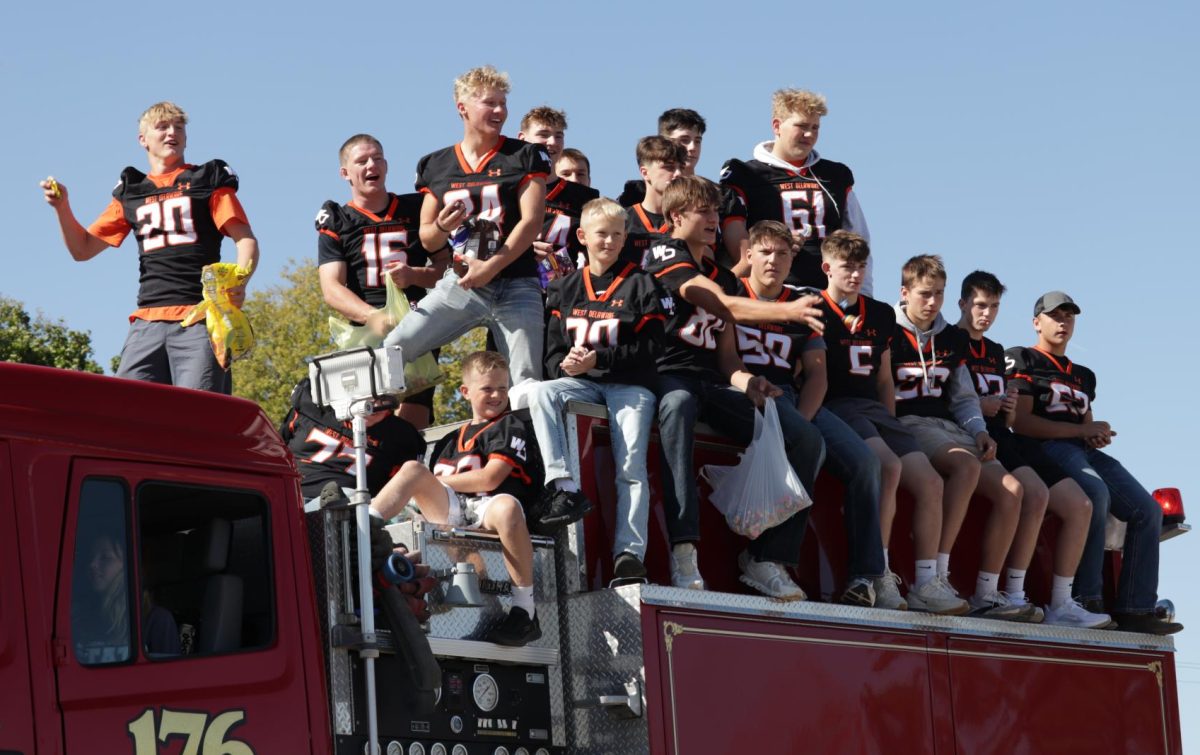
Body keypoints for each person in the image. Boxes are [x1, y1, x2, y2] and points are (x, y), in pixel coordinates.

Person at [644, 176, 825, 597]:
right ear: (676, 217)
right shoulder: (663, 252)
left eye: (717, 211)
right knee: (678, 405)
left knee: (806, 438)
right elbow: (715, 302)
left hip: (711, 382)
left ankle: (765, 558)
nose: (715, 220)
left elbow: (727, 360)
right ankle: (684, 549)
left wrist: (750, 383)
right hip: (665, 374)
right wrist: (788, 310)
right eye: (704, 211)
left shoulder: (722, 274)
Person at [40, 101, 259, 394]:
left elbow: (244, 238)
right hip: (147, 322)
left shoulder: (206, 179)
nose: (172, 133)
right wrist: (62, 207)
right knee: (126, 414)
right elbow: (82, 249)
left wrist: (240, 279)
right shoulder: (133, 190)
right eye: (162, 127)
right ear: (143, 139)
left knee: (197, 417)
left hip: (198, 317)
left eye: (179, 127)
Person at [1007, 292, 1182, 635]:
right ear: (1036, 321)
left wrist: (1095, 434)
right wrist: (1081, 430)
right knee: (1096, 493)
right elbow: (1021, 424)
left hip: (1080, 449)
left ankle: (1136, 605)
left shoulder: (1084, 374)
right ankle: (1087, 598)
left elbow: (1087, 422)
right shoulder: (1023, 358)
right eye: (1055, 315)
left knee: (1148, 510)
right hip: (1045, 448)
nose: (1062, 322)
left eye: (1069, 316)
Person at [733, 220, 887, 607]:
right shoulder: (732, 294)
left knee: (866, 463)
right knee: (808, 442)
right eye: (765, 252)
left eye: (783, 253)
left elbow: (817, 374)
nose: (774, 261)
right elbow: (723, 359)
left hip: (790, 394)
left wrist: (800, 418)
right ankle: (767, 557)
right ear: (748, 254)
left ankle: (867, 576)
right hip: (742, 389)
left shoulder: (801, 300)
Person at [816, 233, 964, 614]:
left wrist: (891, 420)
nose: (855, 273)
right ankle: (877, 572)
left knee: (930, 481)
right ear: (827, 267)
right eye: (848, 265)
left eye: (861, 266)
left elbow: (884, 378)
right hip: (838, 405)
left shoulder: (879, 313)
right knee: (889, 465)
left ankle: (927, 581)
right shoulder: (814, 307)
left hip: (876, 409)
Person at [956, 272, 1110, 628]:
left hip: (1000, 435)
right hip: (961, 432)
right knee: (1022, 491)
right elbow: (941, 398)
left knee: (1078, 501)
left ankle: (1047, 600)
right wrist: (985, 406)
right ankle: (982, 590)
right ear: (962, 303)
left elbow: (1011, 418)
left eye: (994, 306)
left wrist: (1004, 406)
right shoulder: (952, 341)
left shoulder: (995, 351)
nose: (987, 313)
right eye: (980, 304)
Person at [382, 66, 550, 386]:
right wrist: (443, 228)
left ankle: (521, 436)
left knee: (525, 381)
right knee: (391, 349)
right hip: (460, 283)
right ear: (463, 107)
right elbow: (429, 240)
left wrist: (491, 267)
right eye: (490, 103)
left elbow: (531, 221)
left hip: (516, 283)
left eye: (503, 103)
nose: (500, 110)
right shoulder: (437, 164)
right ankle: (369, 430)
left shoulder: (526, 155)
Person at [368, 352, 549, 646]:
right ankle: (363, 529)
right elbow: (424, 486)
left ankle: (524, 610)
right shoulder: (448, 440)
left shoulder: (510, 426)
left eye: (503, 388)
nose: (496, 395)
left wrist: (435, 483)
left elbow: (490, 478)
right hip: (452, 512)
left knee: (506, 507)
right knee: (413, 470)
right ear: (465, 391)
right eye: (487, 388)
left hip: (488, 507)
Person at [528, 198, 666, 582]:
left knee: (631, 467)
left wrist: (599, 361)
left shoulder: (643, 283)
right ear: (582, 236)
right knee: (542, 392)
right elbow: (553, 348)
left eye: (617, 235)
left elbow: (653, 347)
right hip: (584, 383)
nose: (609, 241)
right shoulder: (565, 287)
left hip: (630, 386)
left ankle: (629, 554)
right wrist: (565, 365)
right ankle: (563, 486)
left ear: (626, 239)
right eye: (601, 234)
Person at [890, 255, 1030, 621]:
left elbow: (964, 398)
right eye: (925, 294)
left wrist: (981, 432)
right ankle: (933, 576)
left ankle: (986, 592)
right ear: (905, 293)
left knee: (1013, 490)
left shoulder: (952, 339)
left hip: (950, 426)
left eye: (938, 294)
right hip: (907, 422)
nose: (932, 302)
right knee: (965, 467)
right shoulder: (885, 326)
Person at [316, 133, 448, 429]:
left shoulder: (415, 209)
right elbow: (331, 288)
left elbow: (446, 269)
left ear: (386, 165)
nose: (370, 165)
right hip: (366, 329)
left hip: (416, 321)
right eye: (361, 160)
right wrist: (372, 316)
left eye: (377, 158)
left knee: (414, 415)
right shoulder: (338, 219)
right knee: (368, 417)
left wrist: (414, 274)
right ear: (345, 173)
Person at [720, 89, 872, 293]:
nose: (809, 134)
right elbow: (734, 238)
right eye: (801, 126)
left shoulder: (835, 175)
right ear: (777, 126)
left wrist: (864, 293)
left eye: (815, 127)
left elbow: (859, 237)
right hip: (768, 292)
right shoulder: (745, 173)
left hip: (827, 294)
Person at [279, 376, 427, 503]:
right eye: (367, 396)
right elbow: (277, 449)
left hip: (350, 506)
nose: (373, 405)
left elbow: (399, 491)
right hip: (288, 491)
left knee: (345, 501)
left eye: (383, 398)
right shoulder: (313, 406)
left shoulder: (401, 437)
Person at [516, 107, 599, 281]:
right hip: (513, 285)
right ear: (522, 139)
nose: (552, 141)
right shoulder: (508, 187)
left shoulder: (584, 196)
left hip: (564, 293)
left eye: (559, 135)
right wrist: (525, 248)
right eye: (544, 134)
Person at [74, 533, 180, 660]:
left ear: (129, 566)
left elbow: (168, 676)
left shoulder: (156, 620)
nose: (92, 564)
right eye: (91, 558)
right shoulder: (79, 617)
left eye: (106, 558)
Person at [619, 136, 684, 266]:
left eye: (680, 167)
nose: (678, 173)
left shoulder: (687, 219)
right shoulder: (622, 220)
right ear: (645, 173)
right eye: (669, 167)